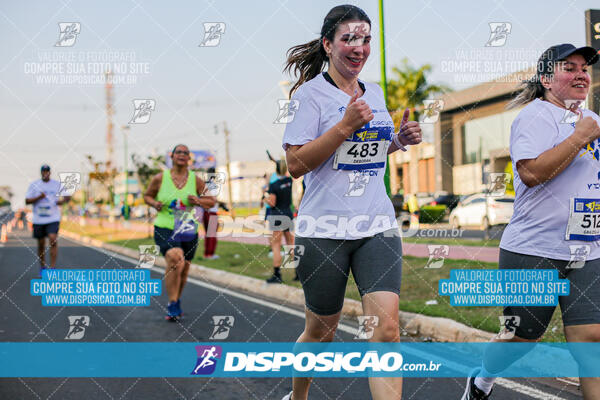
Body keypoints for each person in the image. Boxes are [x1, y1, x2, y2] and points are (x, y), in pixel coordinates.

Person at [280, 5, 422, 400]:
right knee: (321, 331)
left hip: (375, 226)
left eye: (364, 39)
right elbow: (295, 164)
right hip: (323, 230)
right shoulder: (310, 96)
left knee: (387, 331)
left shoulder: (373, 93)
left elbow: (370, 150)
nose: (358, 47)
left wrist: (399, 141)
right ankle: (298, 396)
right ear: (328, 45)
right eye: (349, 39)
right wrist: (344, 126)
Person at [462, 44, 600, 400]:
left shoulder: (593, 120)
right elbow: (532, 173)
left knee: (591, 341)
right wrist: (579, 137)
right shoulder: (534, 117)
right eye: (569, 68)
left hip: (587, 249)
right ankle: (483, 379)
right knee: (522, 338)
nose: (581, 74)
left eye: (584, 68)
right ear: (546, 79)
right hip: (534, 249)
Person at [144, 144, 216, 321]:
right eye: (179, 152)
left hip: (188, 229)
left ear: (189, 158)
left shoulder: (195, 179)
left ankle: (175, 301)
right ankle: (172, 302)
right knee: (175, 257)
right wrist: (154, 204)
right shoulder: (160, 178)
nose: (182, 155)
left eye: (185, 153)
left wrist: (198, 201)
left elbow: (211, 201)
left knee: (184, 269)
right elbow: (147, 196)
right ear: (172, 156)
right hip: (165, 227)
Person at [25, 165, 71, 274]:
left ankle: (53, 268)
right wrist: (39, 197)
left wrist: (62, 201)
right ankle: (43, 267)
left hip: (53, 217)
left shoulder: (56, 184)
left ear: (50, 173)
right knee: (41, 243)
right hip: (39, 219)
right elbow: (27, 201)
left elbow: (67, 196)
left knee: (52, 238)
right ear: (41, 173)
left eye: (47, 171)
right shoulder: (34, 185)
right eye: (43, 172)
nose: (45, 173)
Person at [265, 159, 297, 283]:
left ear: (276, 169)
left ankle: (277, 274)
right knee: (291, 245)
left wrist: (265, 199)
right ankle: (297, 273)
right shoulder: (289, 181)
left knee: (276, 245)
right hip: (288, 213)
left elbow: (272, 203)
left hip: (276, 215)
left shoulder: (274, 185)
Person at [202, 167, 220, 260]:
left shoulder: (203, 184)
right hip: (212, 212)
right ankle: (210, 254)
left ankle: (206, 254)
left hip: (205, 212)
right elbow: (213, 199)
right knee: (212, 234)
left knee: (208, 234)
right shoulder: (213, 185)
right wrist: (221, 203)